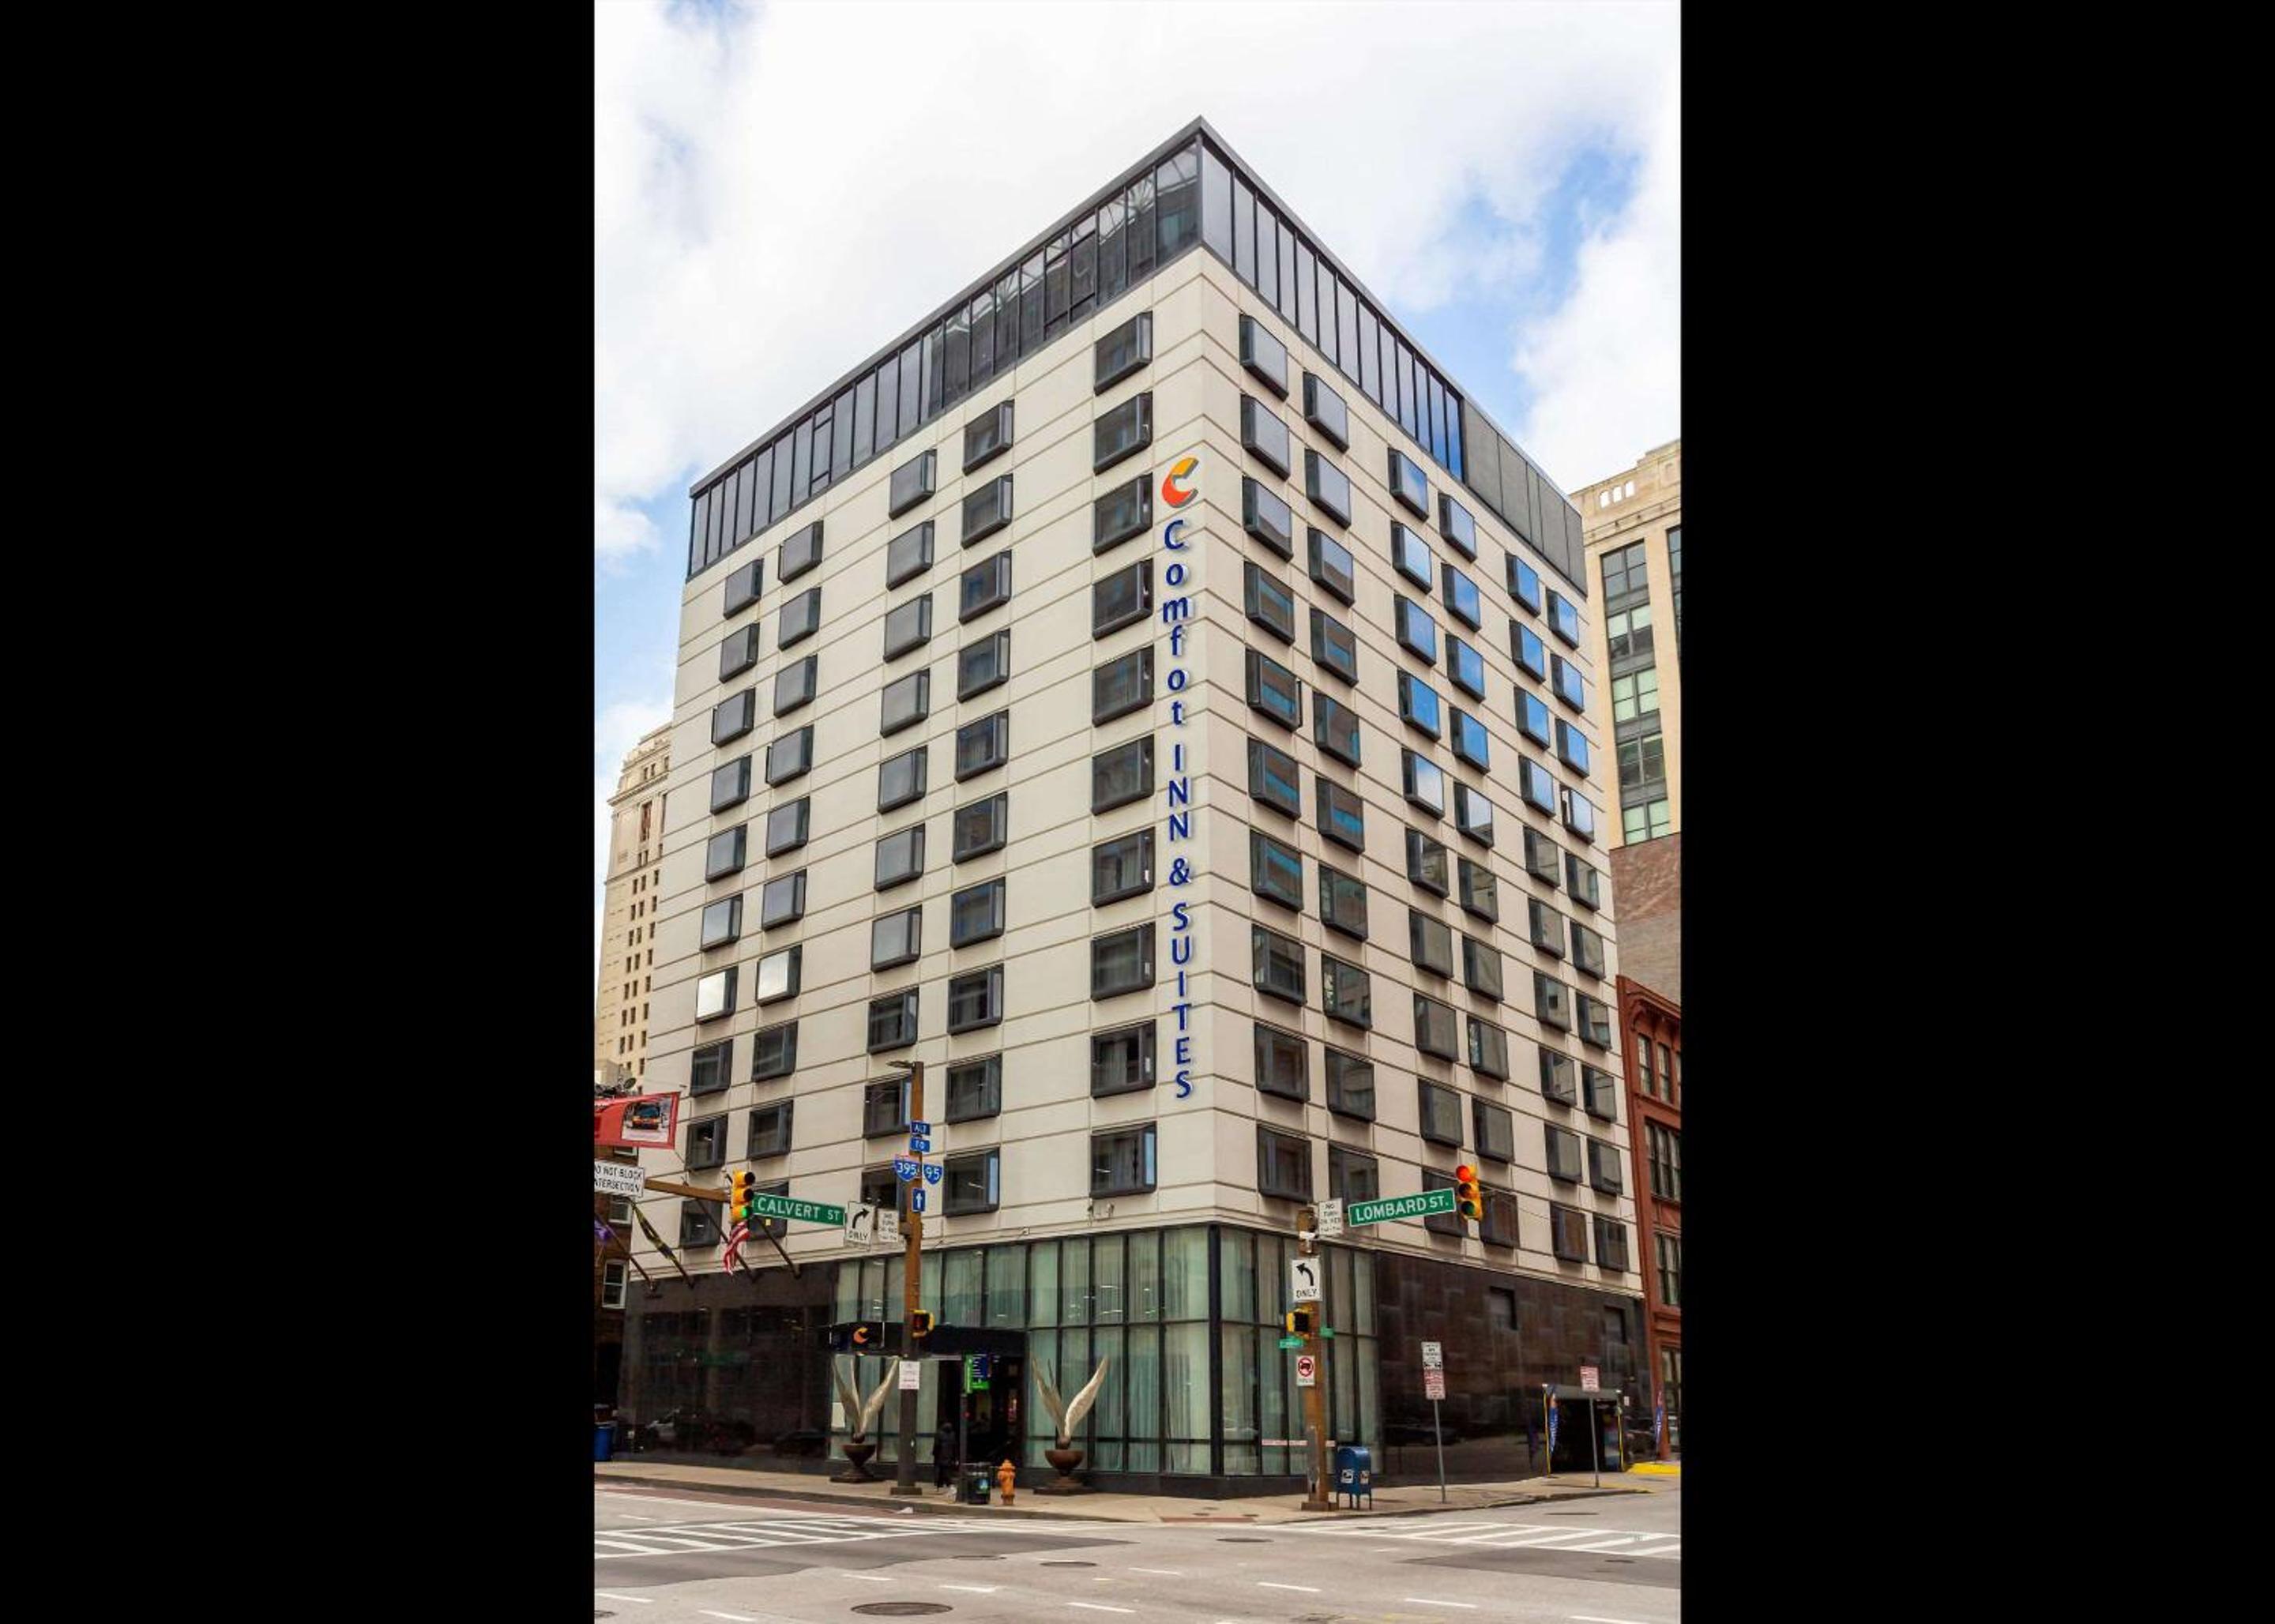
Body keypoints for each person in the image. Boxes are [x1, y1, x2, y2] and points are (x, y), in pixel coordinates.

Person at [934, 1415, 957, 1491]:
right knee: (945, 1469)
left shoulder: (939, 1433)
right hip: (949, 1454)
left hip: (941, 1455)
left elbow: (937, 1445)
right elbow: (954, 1446)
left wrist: (935, 1453)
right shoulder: (952, 1434)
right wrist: (955, 1457)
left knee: (942, 1470)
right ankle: (940, 1484)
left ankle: (947, 1483)